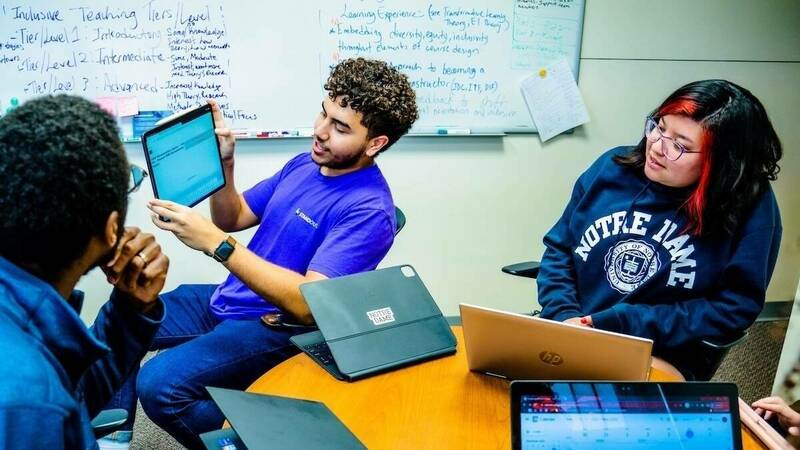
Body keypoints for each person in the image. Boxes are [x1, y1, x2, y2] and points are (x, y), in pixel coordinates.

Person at [105, 57, 418, 448]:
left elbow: (309, 304)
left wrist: (218, 246)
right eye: (323, 114)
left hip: (277, 325)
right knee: (125, 315)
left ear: (375, 143)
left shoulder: (369, 211)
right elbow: (232, 216)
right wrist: (226, 165)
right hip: (230, 297)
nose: (320, 132)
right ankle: (110, 438)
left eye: (339, 128)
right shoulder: (304, 165)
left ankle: (258, 437)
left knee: (159, 386)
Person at [536, 79, 782, 379]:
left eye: (680, 145)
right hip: (570, 331)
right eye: (659, 126)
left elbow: (734, 308)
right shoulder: (612, 169)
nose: (657, 146)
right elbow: (560, 248)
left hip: (659, 350)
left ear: (722, 163)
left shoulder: (749, 207)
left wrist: (624, 322)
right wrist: (564, 316)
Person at [0, 95, 169, 449]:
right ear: (112, 229)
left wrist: (130, 313)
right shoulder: (29, 404)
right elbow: (51, 405)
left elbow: (69, 398)